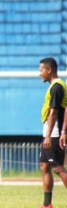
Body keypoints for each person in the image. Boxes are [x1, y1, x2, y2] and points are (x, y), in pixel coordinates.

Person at [38, 57, 67, 208]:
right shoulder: (57, 85)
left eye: (41, 70)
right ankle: (47, 204)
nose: (39, 73)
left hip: (53, 132)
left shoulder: (56, 87)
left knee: (57, 168)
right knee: (44, 165)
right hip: (52, 131)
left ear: (49, 70)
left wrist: (50, 135)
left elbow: (54, 112)